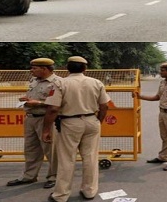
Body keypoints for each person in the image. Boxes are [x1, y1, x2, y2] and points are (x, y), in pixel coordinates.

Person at [42, 56, 110, 202]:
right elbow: (104, 106)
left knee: (67, 158)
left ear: (67, 68)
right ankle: (89, 191)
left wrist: (46, 129)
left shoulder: (60, 83)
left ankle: (61, 195)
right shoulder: (96, 83)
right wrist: (98, 121)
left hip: (69, 122)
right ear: (85, 68)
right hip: (92, 120)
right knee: (90, 157)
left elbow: (53, 109)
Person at [6, 58, 61, 189]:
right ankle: (29, 176)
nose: (31, 70)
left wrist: (39, 103)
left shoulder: (56, 83)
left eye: (34, 68)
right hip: (30, 117)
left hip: (46, 118)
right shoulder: (34, 81)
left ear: (45, 69)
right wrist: (27, 100)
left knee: (51, 149)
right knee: (31, 149)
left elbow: (58, 104)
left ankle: (54, 176)